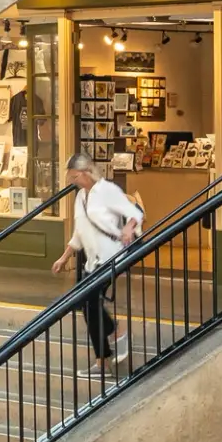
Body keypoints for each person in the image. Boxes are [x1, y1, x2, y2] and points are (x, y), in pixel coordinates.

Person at [56, 153, 144, 365]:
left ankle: (116, 331)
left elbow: (136, 213)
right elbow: (79, 232)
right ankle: (102, 358)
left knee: (90, 301)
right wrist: (64, 257)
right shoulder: (80, 197)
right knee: (87, 307)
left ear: (87, 172)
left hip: (111, 256)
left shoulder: (107, 191)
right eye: (71, 177)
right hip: (92, 261)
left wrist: (128, 228)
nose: (72, 181)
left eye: (75, 176)